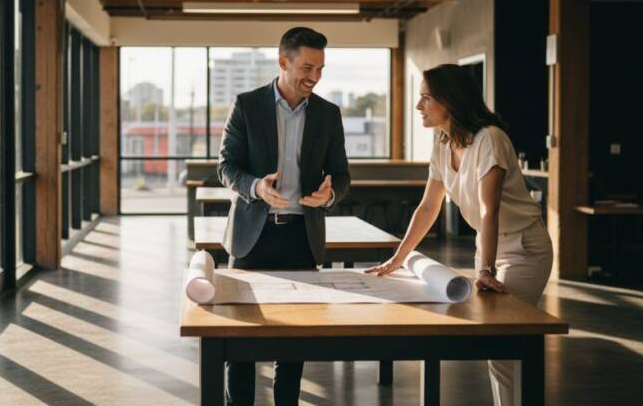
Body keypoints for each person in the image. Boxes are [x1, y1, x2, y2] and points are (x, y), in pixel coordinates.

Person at [365, 63, 552, 406]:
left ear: (449, 101)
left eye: (425, 98)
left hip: (525, 249)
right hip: (490, 247)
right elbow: (427, 208)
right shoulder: (442, 143)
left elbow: (488, 210)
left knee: (505, 342)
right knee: (499, 351)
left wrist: (486, 271)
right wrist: (400, 257)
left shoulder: (490, 140)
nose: (419, 106)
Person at [217, 26, 351, 406]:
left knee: (293, 341)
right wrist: (257, 187)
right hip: (251, 236)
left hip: (301, 237)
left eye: (320, 69)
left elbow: (341, 175)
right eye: (307, 67)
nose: (314, 77)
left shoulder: (328, 113)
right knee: (241, 339)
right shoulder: (247, 104)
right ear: (283, 62)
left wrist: (330, 195)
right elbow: (226, 166)